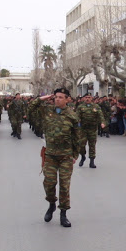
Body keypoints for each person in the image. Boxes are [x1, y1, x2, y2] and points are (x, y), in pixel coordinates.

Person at [36, 88, 81, 228]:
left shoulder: (72, 116)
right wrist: (41, 98)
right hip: (50, 155)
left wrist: (75, 155)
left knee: (64, 185)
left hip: (65, 156)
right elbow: (31, 108)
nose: (57, 99)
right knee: (49, 183)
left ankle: (63, 214)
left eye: (61, 97)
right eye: (56, 97)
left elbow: (77, 137)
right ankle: (51, 204)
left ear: (67, 99)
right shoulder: (47, 111)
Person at [76, 93, 107, 168]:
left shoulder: (96, 107)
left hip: (92, 129)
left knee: (92, 145)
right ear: (84, 98)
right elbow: (77, 116)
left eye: (89, 97)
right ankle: (83, 156)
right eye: (86, 97)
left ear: (91, 98)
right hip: (83, 129)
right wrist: (77, 122)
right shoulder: (80, 107)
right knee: (81, 145)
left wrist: (102, 122)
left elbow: (100, 115)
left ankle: (92, 161)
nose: (87, 99)